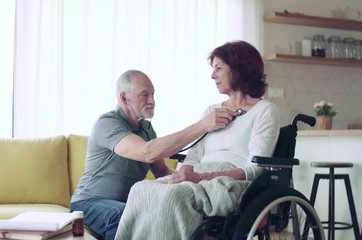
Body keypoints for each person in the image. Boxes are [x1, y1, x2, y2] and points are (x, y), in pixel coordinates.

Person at [114, 41, 280, 240]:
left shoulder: (265, 111)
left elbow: (255, 169)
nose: (212, 75)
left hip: (231, 182)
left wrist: (200, 177)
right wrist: (186, 171)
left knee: (174, 196)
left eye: (218, 68)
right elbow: (193, 157)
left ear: (239, 69)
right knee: (140, 189)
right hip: (199, 177)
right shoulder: (212, 112)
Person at [70, 69, 234, 240]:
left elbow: (162, 171)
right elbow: (147, 152)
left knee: (164, 217)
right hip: (88, 202)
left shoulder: (146, 129)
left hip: (126, 205)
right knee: (122, 216)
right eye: (144, 95)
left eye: (153, 94)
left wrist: (199, 179)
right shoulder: (108, 124)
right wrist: (202, 126)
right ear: (124, 98)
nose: (152, 101)